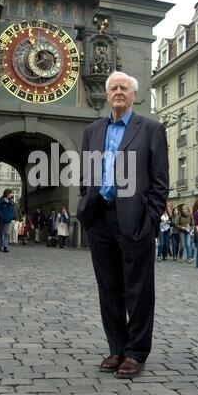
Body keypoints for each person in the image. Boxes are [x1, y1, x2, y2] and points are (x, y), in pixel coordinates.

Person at [76, 71, 169, 379]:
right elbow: (86, 174)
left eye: (124, 88)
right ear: (107, 94)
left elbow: (159, 182)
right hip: (100, 219)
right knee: (109, 287)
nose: (118, 91)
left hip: (135, 221)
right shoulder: (92, 130)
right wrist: (85, 207)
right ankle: (117, 348)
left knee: (138, 289)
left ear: (133, 95)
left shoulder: (151, 129)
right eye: (113, 87)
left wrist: (150, 218)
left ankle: (136, 352)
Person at [0, 189, 14, 253]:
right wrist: (1, 215)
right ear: (7, 193)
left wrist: (11, 216)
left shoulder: (11, 201)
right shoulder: (0, 200)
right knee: (1, 233)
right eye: (11, 193)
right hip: (1, 219)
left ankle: (5, 246)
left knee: (6, 233)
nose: (11, 194)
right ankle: (0, 245)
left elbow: (11, 210)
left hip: (8, 220)